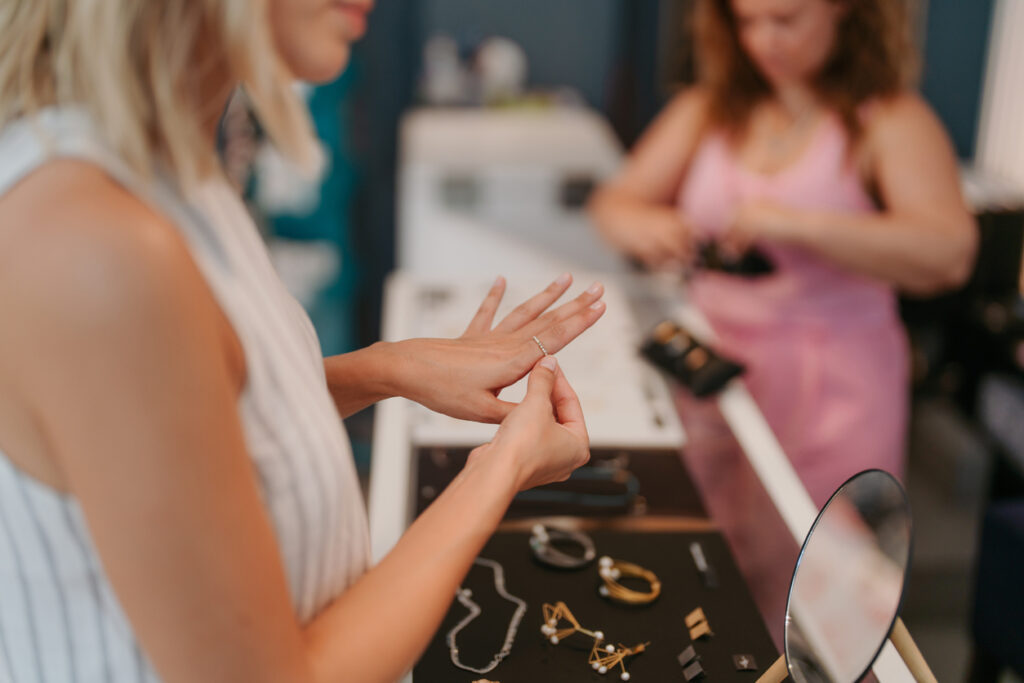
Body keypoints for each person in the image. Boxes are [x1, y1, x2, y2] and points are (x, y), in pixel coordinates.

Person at [0, 1, 607, 682]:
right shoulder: (95, 246)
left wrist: (388, 367)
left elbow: (193, 431)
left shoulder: (166, 171)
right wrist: (502, 467)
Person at [588, 0, 977, 506]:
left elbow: (949, 253)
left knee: (814, 561)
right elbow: (612, 204)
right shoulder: (708, 109)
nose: (763, 41)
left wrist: (798, 225)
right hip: (713, 376)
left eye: (786, 20)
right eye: (746, 22)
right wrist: (645, 225)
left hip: (833, 395)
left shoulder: (891, 120)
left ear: (843, 10)